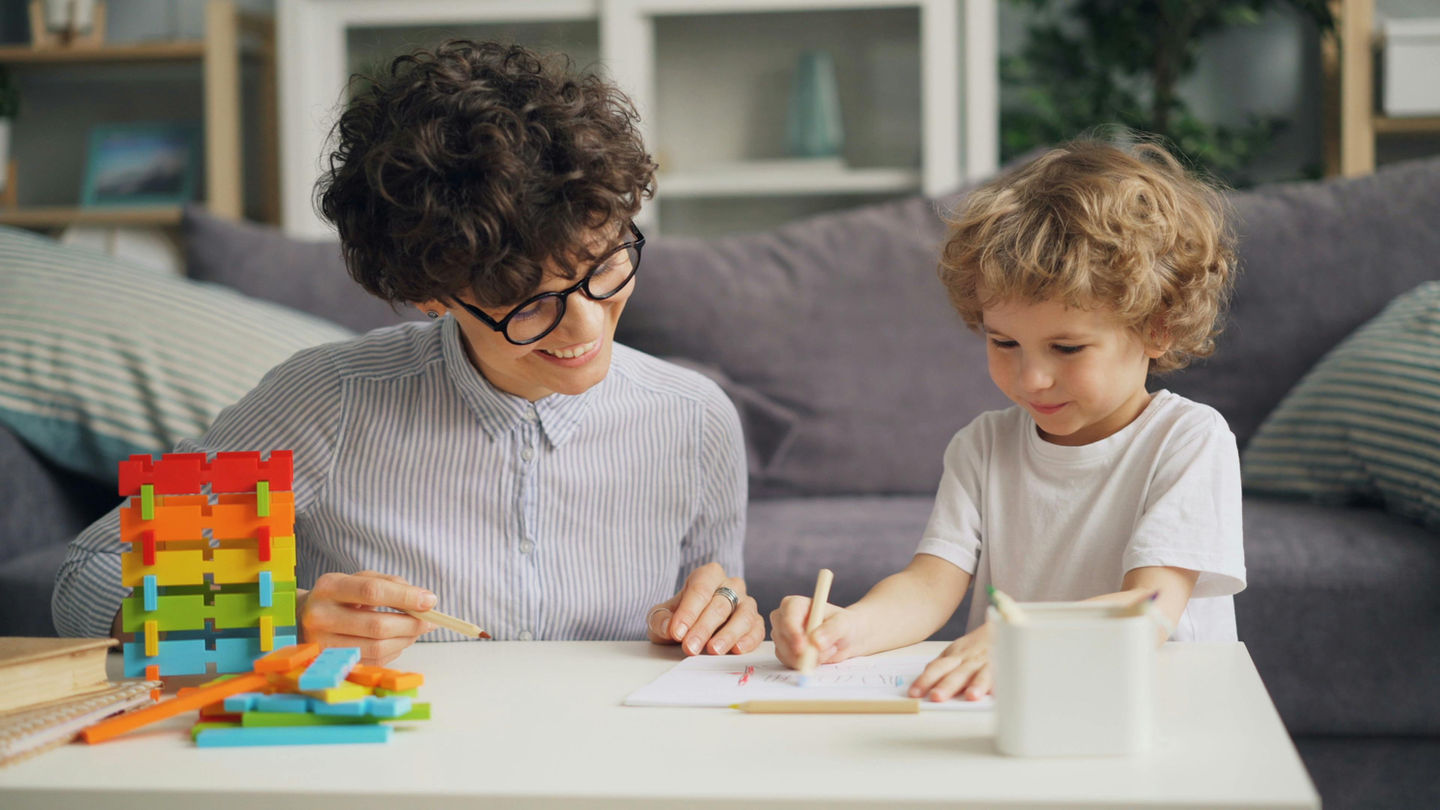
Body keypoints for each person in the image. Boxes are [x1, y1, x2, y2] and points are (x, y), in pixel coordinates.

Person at [53, 40, 763, 664]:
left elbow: (713, 608)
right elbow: (90, 578)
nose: (583, 328)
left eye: (603, 267)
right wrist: (272, 620)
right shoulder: (328, 404)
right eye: (528, 300)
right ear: (433, 292)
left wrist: (725, 615)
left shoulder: (695, 419)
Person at [771, 138, 1246, 701]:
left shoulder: (1188, 440)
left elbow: (1149, 607)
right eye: (1004, 342)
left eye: (1067, 348)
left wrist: (1019, 635)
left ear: (1157, 328)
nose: (1031, 378)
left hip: (1149, 710)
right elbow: (928, 588)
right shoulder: (983, 445)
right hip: (1021, 705)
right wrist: (844, 631)